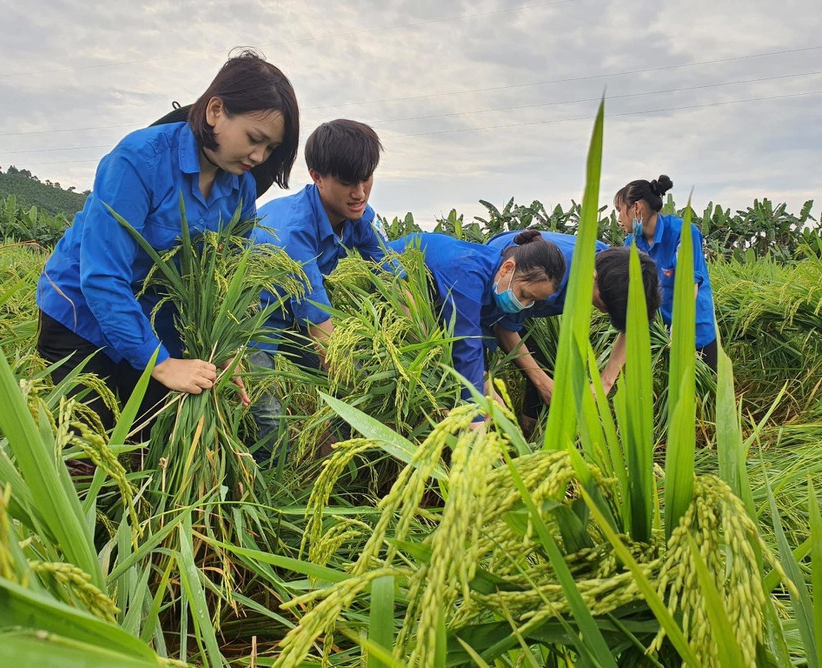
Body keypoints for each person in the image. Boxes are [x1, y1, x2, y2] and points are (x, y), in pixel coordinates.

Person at [36, 50, 300, 434]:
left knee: (150, 443)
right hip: (82, 317)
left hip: (155, 324)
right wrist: (160, 364)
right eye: (254, 139)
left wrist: (226, 349)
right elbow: (102, 276)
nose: (260, 157)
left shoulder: (240, 189)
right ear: (215, 111)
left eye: (272, 149)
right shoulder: (139, 160)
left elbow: (225, 280)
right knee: (85, 446)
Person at [248, 119, 391, 459]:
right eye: (347, 182)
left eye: (366, 178)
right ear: (317, 177)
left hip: (292, 313)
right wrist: (358, 393)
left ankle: (337, 458)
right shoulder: (294, 233)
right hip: (250, 321)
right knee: (270, 419)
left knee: (356, 376)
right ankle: (266, 481)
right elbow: (321, 331)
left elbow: (391, 274)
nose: (360, 193)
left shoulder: (358, 215)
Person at [484, 230, 661, 430]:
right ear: (593, 277)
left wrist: (605, 382)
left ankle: (530, 431)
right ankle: (507, 432)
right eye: (603, 303)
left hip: (530, 292)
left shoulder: (615, 269)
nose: (604, 311)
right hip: (505, 282)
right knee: (532, 374)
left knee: (545, 373)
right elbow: (504, 327)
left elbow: (631, 327)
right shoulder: (549, 280)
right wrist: (543, 384)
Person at [387, 230, 566, 408]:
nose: (523, 304)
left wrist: (485, 386)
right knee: (427, 346)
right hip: (391, 274)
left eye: (532, 301)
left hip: (429, 298)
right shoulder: (467, 272)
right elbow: (465, 342)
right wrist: (476, 410)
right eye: (524, 295)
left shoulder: (499, 283)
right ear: (507, 268)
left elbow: (475, 344)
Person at [614, 175, 718, 370]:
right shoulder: (632, 243)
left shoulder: (683, 232)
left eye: (620, 210)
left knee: (708, 383)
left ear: (637, 208)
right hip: (661, 332)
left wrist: (678, 331)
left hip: (694, 327)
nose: (618, 218)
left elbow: (689, 285)